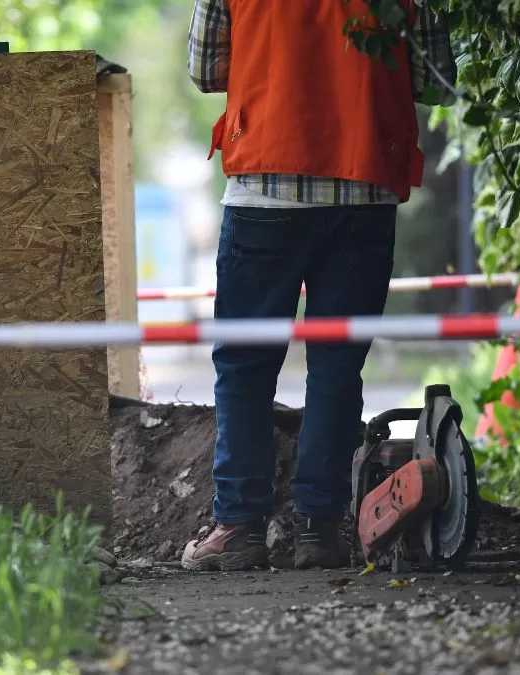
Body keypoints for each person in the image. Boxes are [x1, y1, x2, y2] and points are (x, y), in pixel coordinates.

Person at [180, 0, 458, 571]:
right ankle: (320, 530)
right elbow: (437, 79)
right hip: (364, 189)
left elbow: (206, 71)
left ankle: (239, 529)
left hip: (266, 184)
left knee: (246, 365)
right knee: (337, 366)